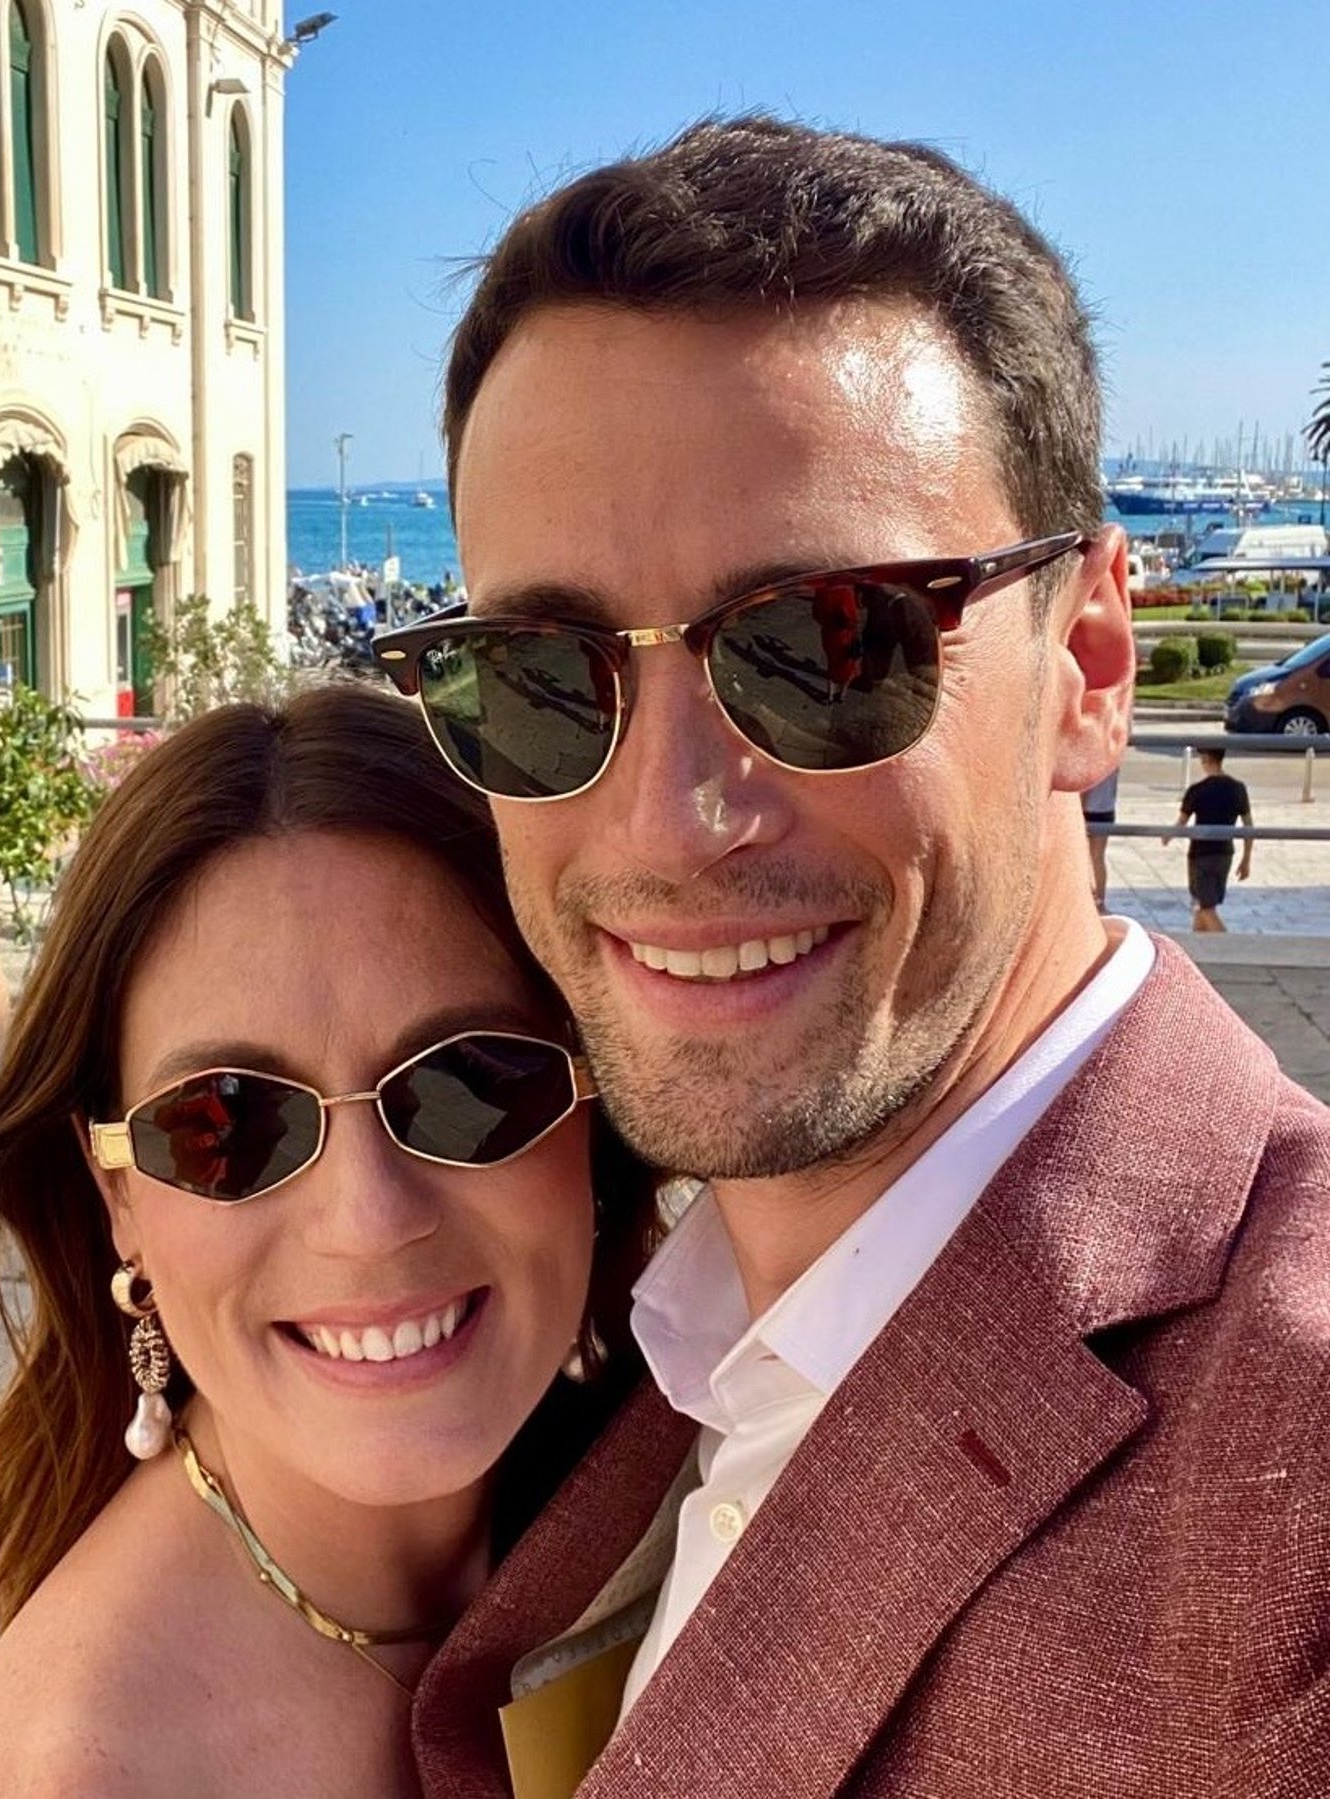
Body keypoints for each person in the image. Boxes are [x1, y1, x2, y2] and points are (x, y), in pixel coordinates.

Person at [378, 116, 1330, 1795]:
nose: (669, 820)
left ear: (1090, 663)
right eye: (540, 669)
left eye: (827, 645)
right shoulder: (637, 1330)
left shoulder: (1290, 1457)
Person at [0, 685, 652, 1797]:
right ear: (114, 1193)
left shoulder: (687, 1480)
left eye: (470, 1084)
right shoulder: (85, 1770)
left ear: (590, 1108)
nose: (369, 1218)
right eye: (225, 1123)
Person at [1164, 746, 1251, 930]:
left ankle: (1232, 947)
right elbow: (1248, 826)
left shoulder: (1197, 790)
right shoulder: (1238, 788)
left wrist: (1168, 836)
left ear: (1206, 760)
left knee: (1205, 908)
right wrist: (1246, 859)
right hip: (1224, 853)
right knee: (1200, 905)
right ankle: (1199, 947)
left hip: (1201, 854)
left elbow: (1182, 822)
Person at [1081, 763, 1120, 907]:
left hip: (1089, 810)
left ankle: (1089, 894)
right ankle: (1101, 898)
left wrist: (1079, 810)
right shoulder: (1113, 762)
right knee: (1098, 857)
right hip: (1107, 809)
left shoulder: (1092, 761)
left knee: (1084, 856)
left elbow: (1085, 788)